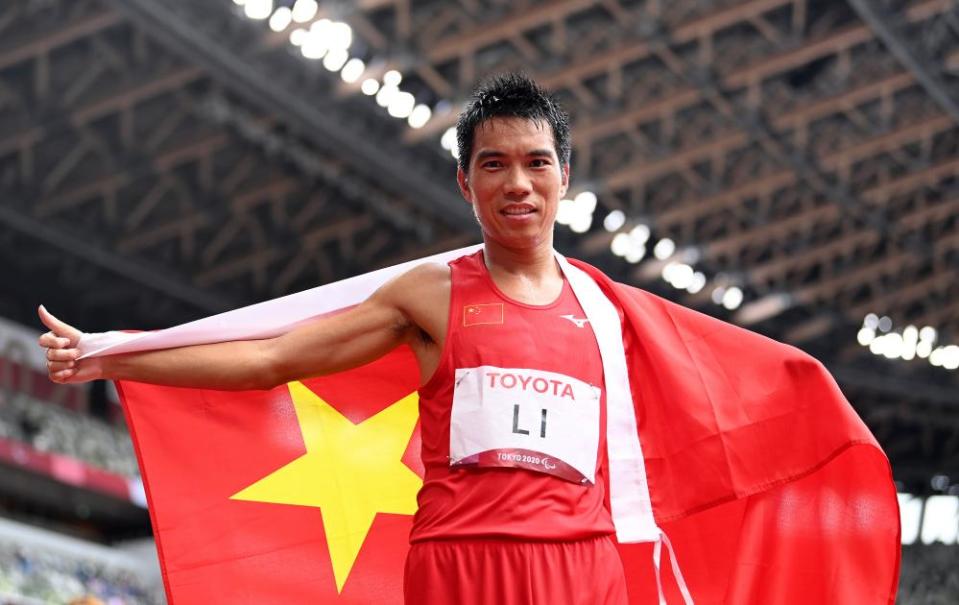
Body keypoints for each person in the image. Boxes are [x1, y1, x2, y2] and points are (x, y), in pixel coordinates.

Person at [39, 73, 631, 604]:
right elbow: (269, 359)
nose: (518, 184)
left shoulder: (610, 309)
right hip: (460, 565)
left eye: (537, 163)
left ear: (565, 176)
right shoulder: (431, 295)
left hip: (582, 566)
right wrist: (111, 358)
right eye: (494, 164)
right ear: (464, 182)